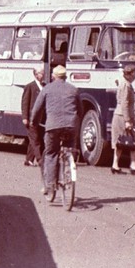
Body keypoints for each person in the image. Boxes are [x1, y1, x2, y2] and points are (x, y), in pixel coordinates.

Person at [29, 65, 81, 201]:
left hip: (53, 127)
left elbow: (37, 109)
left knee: (51, 153)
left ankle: (50, 185)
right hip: (71, 126)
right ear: (66, 76)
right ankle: (69, 176)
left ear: (53, 76)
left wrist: (33, 122)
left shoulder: (47, 89)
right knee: (69, 150)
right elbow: (80, 110)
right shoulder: (73, 89)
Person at [111, 64, 135, 174]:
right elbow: (125, 103)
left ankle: (116, 165)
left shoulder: (125, 84)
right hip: (122, 117)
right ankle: (132, 165)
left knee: (120, 142)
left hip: (121, 116)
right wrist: (128, 120)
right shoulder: (126, 85)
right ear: (131, 74)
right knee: (133, 142)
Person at [21, 66, 45, 167]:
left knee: (34, 139)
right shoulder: (30, 86)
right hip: (31, 118)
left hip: (42, 118)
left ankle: (28, 160)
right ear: (36, 75)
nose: (43, 75)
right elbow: (25, 102)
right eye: (41, 73)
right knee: (35, 140)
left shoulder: (44, 86)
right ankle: (40, 160)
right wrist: (25, 117)